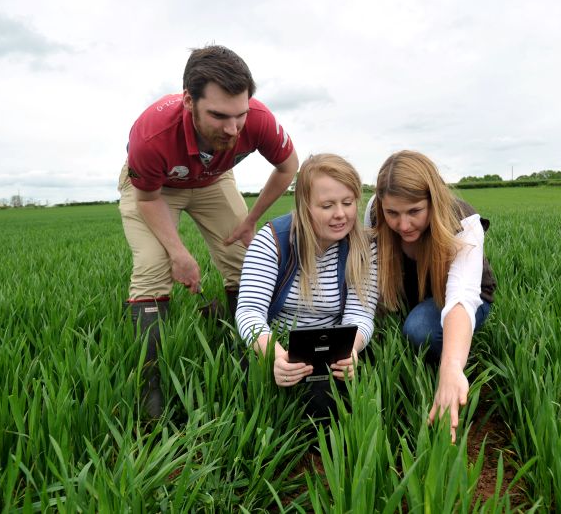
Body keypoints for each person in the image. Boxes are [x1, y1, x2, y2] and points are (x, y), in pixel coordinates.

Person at [118, 45, 298, 417]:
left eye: (240, 116)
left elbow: (287, 167)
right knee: (153, 266)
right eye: (219, 116)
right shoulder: (151, 135)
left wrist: (251, 220)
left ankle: (247, 352)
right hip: (158, 188)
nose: (233, 129)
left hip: (213, 180)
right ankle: (150, 387)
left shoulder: (258, 119)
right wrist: (179, 253)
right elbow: (148, 199)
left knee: (244, 257)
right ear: (189, 101)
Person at [366, 150, 496, 441]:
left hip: (468, 299)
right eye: (393, 213)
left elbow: (462, 294)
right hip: (416, 295)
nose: (402, 225)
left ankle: (456, 365)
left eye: (414, 211)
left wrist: (450, 367)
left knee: (419, 330)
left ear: (433, 201)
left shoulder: (462, 220)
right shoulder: (375, 212)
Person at [236, 154, 378, 416]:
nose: (340, 214)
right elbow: (249, 310)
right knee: (258, 398)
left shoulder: (363, 246)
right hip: (277, 343)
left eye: (347, 203)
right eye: (327, 206)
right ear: (304, 206)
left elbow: (361, 313)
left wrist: (351, 351)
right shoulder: (273, 241)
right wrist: (276, 357)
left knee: (330, 406)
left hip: (336, 348)